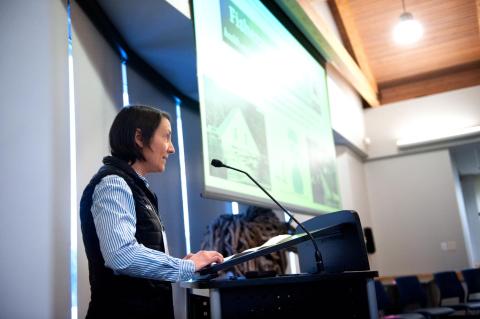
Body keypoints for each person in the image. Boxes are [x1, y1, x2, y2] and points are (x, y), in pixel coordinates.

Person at [80, 105, 223, 318]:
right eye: (166, 137)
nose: (172, 148)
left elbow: (138, 258)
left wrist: (182, 264)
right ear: (139, 137)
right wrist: (185, 266)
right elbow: (121, 255)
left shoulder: (136, 187)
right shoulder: (113, 184)